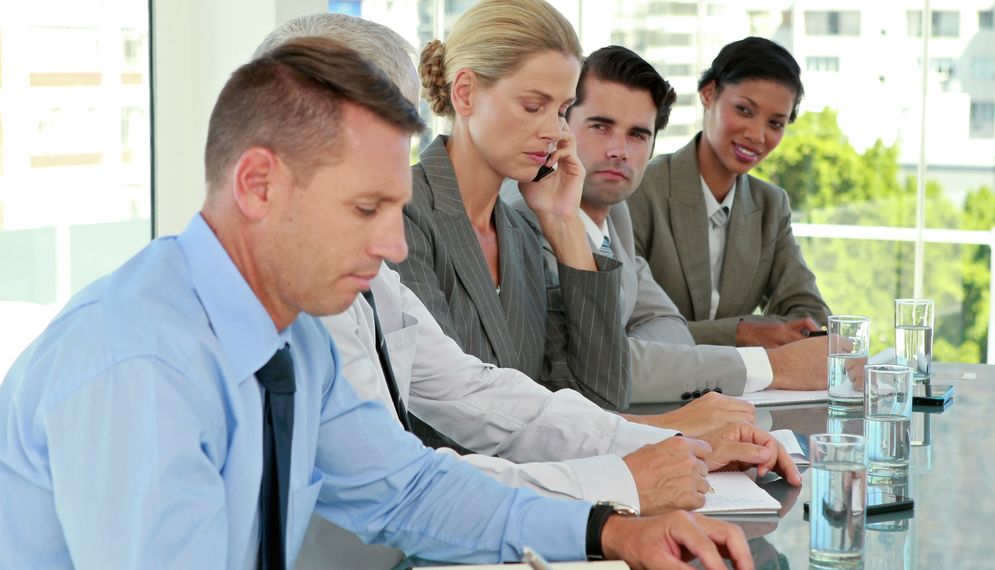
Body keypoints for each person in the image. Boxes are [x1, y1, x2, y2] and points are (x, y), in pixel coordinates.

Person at [0, 38, 754, 569]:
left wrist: (610, 532)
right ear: (259, 186)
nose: (395, 247)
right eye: (366, 210)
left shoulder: (293, 340)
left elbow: (409, 492)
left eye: (397, 209)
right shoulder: (139, 366)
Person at [508, 45, 830, 402]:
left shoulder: (614, 214)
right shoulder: (526, 217)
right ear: (561, 123)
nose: (619, 150)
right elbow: (589, 369)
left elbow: (670, 327)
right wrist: (768, 360)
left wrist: (636, 353)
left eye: (638, 135)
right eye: (600, 126)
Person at [392, 0, 633, 412]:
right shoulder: (402, 213)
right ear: (465, 93)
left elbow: (601, 397)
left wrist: (563, 221)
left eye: (561, 111)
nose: (554, 132)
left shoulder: (520, 234)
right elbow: (448, 411)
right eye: (532, 106)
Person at [627, 37, 831, 349]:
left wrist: (713, 333)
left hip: (741, 391)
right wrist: (740, 333)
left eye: (775, 123)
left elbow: (812, 317)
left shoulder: (770, 206)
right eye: (745, 110)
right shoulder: (641, 189)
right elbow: (625, 326)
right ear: (709, 93)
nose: (757, 135)